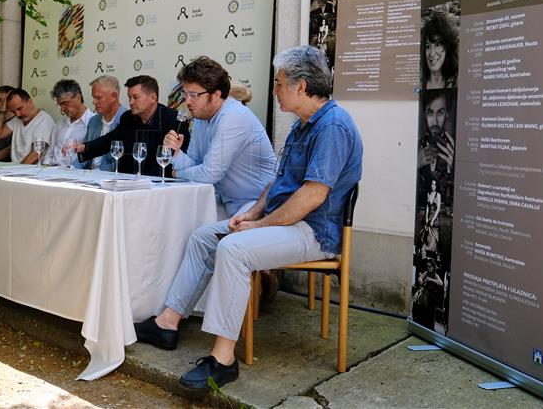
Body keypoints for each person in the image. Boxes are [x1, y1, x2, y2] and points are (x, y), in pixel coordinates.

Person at [133, 46, 362, 393]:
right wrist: (253, 212)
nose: (274, 91)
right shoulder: (303, 125)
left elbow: (312, 196)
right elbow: (279, 182)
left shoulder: (333, 126)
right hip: (285, 221)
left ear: (301, 87)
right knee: (203, 236)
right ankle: (168, 321)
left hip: (315, 232)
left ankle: (223, 359)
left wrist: (259, 225)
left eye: (279, 83)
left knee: (234, 249)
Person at [162, 56, 276, 218]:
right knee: (174, 219)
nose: (187, 101)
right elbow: (196, 164)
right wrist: (177, 154)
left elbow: (209, 174)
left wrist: (177, 173)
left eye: (193, 95)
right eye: (185, 94)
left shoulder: (233, 116)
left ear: (215, 95)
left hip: (259, 204)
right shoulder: (201, 117)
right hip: (227, 201)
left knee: (199, 238)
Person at [75, 75, 190, 176]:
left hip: (160, 187)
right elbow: (110, 140)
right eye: (129, 97)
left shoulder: (174, 120)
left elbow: (186, 157)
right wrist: (85, 148)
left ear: (153, 98)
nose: (130, 102)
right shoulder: (128, 117)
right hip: (127, 184)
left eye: (135, 97)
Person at [0, 88, 55, 164]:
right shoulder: (18, 120)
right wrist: (2, 111)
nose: (17, 114)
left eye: (19, 108)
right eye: (13, 111)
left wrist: (17, 171)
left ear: (30, 101)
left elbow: (36, 154)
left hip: (33, 172)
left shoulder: (44, 120)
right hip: (17, 168)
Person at [78, 76, 127, 171]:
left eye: (98, 98)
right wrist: (70, 170)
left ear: (114, 96)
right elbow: (84, 155)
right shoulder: (93, 121)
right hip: (88, 177)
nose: (94, 102)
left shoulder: (127, 121)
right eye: (93, 97)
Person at [45, 79, 93, 166]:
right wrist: (45, 167)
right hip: (50, 171)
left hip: (74, 174)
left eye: (64, 103)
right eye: (60, 105)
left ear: (78, 97)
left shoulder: (93, 122)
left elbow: (91, 158)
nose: (62, 109)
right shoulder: (59, 123)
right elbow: (49, 153)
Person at [417, 90, 455, 182]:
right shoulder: (414, 146)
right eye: (430, 113)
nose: (435, 122)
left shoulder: (457, 148)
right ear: (424, 114)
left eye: (440, 113)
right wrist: (416, 164)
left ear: (447, 113)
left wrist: (454, 171)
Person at [421, 8, 458, 90]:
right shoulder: (419, 83)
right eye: (427, 46)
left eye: (438, 44)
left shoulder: (457, 82)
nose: (432, 53)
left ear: (448, 47)